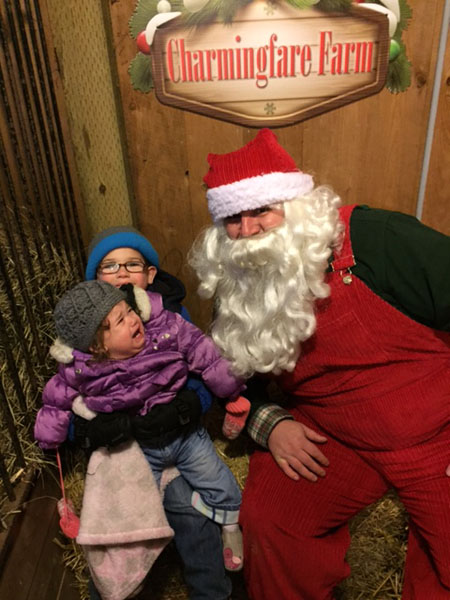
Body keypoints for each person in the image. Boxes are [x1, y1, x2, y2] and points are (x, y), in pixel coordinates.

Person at [188, 128, 450, 599]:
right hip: (332, 434)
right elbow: (230, 379)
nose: (248, 231)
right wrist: (270, 425)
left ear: (295, 205)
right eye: (232, 218)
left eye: (261, 210)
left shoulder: (375, 237)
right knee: (270, 523)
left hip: (435, 434)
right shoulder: (237, 282)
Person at [58, 226, 243, 600]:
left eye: (132, 264)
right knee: (117, 526)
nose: (122, 273)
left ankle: (212, 591)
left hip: (178, 437)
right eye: (110, 266)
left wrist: (188, 405)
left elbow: (204, 367)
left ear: (150, 274)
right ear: (94, 279)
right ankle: (116, 590)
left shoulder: (172, 316)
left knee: (190, 510)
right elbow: (65, 395)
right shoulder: (82, 328)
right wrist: (91, 431)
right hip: (124, 451)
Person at [34, 279, 249, 573]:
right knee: (134, 505)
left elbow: (203, 351)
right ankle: (130, 568)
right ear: (97, 346)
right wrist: (50, 436)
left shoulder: (165, 331)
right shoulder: (81, 369)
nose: (133, 319)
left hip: (185, 435)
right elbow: (56, 399)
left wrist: (229, 390)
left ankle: (230, 526)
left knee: (216, 478)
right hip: (138, 449)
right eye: (120, 321)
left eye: (129, 310)